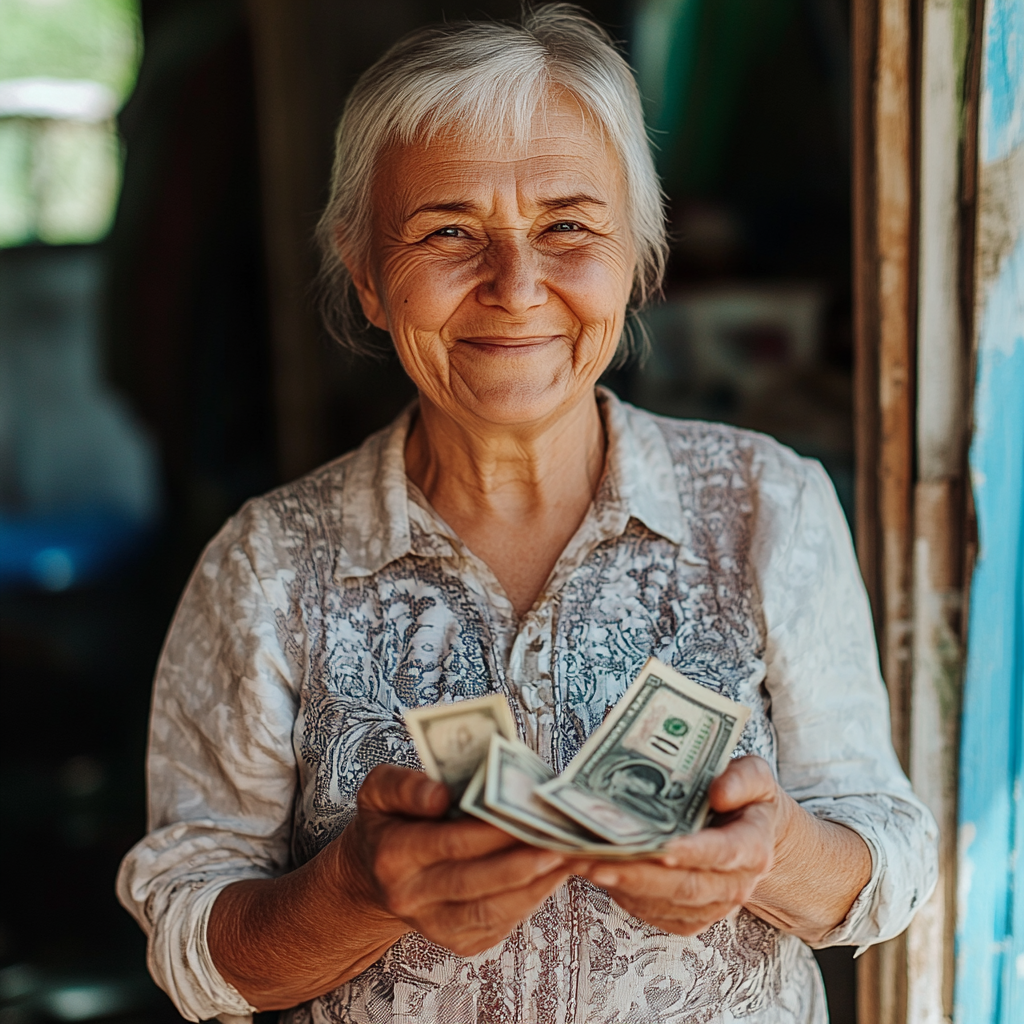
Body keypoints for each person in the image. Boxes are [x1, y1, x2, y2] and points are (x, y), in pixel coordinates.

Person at [116, 7, 937, 1022]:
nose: (516, 286)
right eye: (449, 230)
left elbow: (888, 864)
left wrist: (771, 853)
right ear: (366, 272)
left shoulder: (767, 504)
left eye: (567, 227)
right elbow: (197, 950)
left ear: (638, 258)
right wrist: (355, 892)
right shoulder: (267, 565)